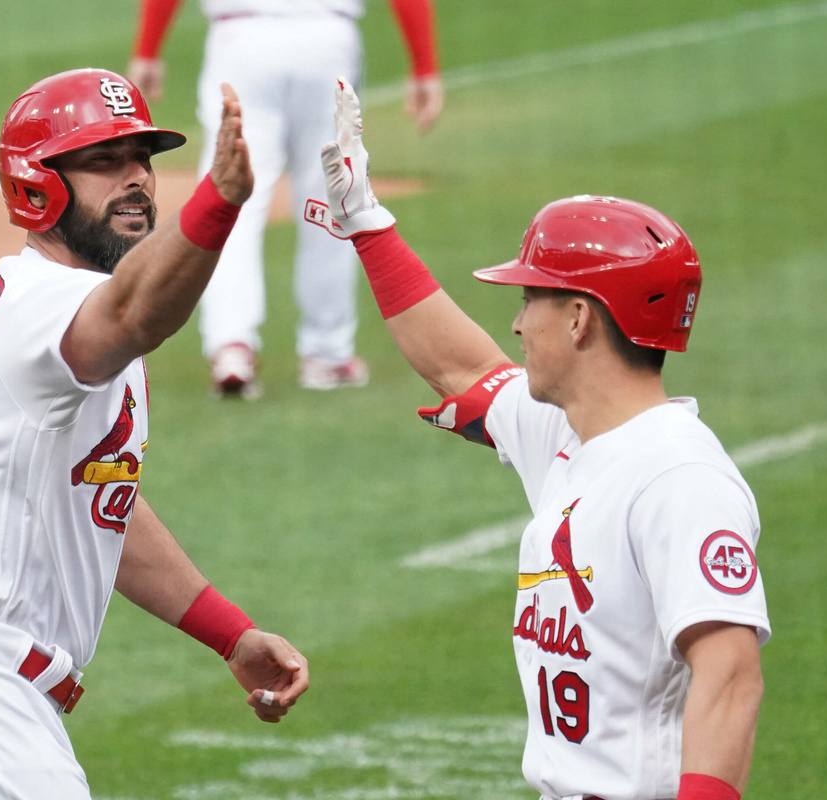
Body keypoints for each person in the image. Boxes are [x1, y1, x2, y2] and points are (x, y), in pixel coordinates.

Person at [0, 69, 309, 799]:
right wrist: (222, 199)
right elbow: (137, 315)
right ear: (37, 183)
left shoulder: (63, 309)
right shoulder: (44, 303)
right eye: (104, 161)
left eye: (142, 157)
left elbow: (96, 504)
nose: (137, 178)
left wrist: (229, 634)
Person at [305, 80, 769, 800]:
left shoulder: (679, 477)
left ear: (580, 318)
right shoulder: (570, 431)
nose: (518, 324)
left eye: (531, 299)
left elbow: (731, 673)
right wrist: (366, 222)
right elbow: (461, 366)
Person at [128, 0, 444, 398]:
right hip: (328, 39)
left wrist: (148, 48)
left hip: (240, 42)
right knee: (334, 194)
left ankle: (232, 346)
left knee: (230, 196)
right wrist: (425, 65)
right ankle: (328, 353)